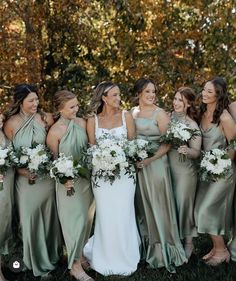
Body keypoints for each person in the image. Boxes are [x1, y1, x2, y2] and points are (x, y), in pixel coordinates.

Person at [4, 84, 62, 279]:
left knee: (48, 217)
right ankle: (33, 261)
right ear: (21, 102)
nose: (36, 104)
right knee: (29, 219)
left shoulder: (44, 118)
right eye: (31, 101)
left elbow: (54, 143)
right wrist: (22, 171)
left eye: (37, 100)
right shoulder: (10, 124)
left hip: (45, 179)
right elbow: (8, 154)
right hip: (25, 181)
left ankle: (50, 258)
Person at [83, 81, 140, 276]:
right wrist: (103, 160)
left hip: (125, 175)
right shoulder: (93, 120)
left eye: (118, 94)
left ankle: (126, 255)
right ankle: (103, 256)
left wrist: (121, 159)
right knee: (106, 215)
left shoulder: (127, 116)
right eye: (114, 95)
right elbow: (92, 149)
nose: (118, 98)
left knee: (124, 213)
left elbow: (133, 146)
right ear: (104, 98)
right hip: (101, 176)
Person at [131, 78, 187, 273]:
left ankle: (166, 250)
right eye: (147, 91)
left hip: (156, 165)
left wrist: (149, 160)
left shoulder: (160, 113)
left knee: (159, 205)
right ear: (139, 93)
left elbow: (167, 143)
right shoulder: (132, 113)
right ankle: (147, 249)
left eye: (154, 91)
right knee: (143, 206)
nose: (152, 95)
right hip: (138, 166)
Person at [46, 90, 94, 281]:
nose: (77, 108)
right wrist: (63, 179)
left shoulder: (82, 123)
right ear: (60, 109)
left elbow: (90, 149)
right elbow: (53, 163)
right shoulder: (54, 132)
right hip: (68, 185)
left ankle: (80, 254)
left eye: (77, 104)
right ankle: (74, 266)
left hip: (85, 181)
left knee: (86, 220)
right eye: (72, 106)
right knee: (72, 223)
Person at [194, 77, 236, 265]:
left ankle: (222, 251)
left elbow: (234, 144)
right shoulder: (202, 112)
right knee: (200, 211)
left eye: (209, 92)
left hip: (223, 172)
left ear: (218, 95)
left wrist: (220, 164)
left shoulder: (224, 117)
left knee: (206, 210)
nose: (204, 93)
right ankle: (216, 247)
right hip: (205, 171)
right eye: (204, 89)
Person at [168, 87, 201, 259]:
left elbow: (197, 152)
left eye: (180, 100)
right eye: (175, 99)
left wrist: (187, 150)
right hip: (168, 168)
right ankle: (173, 241)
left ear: (188, 104)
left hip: (185, 172)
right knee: (170, 204)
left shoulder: (192, 124)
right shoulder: (167, 117)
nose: (176, 103)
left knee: (184, 205)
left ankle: (189, 243)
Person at [0, 113, 14, 281]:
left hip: (8, 183)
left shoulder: (4, 134)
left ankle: (2, 261)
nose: (1, 120)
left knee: (4, 221)